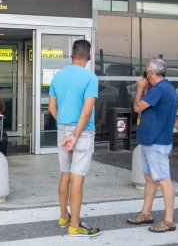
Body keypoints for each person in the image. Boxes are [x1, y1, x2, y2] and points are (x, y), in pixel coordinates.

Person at [48, 39, 100, 237]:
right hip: (82, 132)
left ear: (71, 55)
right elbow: (87, 111)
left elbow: (52, 108)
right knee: (77, 177)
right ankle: (75, 225)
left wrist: (65, 125)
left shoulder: (58, 77)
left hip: (62, 128)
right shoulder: (90, 78)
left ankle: (63, 216)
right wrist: (76, 134)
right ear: (88, 57)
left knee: (65, 173)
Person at [127, 58, 178, 233]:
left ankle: (169, 220)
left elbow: (137, 107)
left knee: (164, 180)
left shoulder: (159, 89)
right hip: (151, 141)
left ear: (150, 73)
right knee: (150, 178)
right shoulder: (163, 88)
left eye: (146, 71)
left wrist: (140, 88)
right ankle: (146, 213)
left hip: (157, 142)